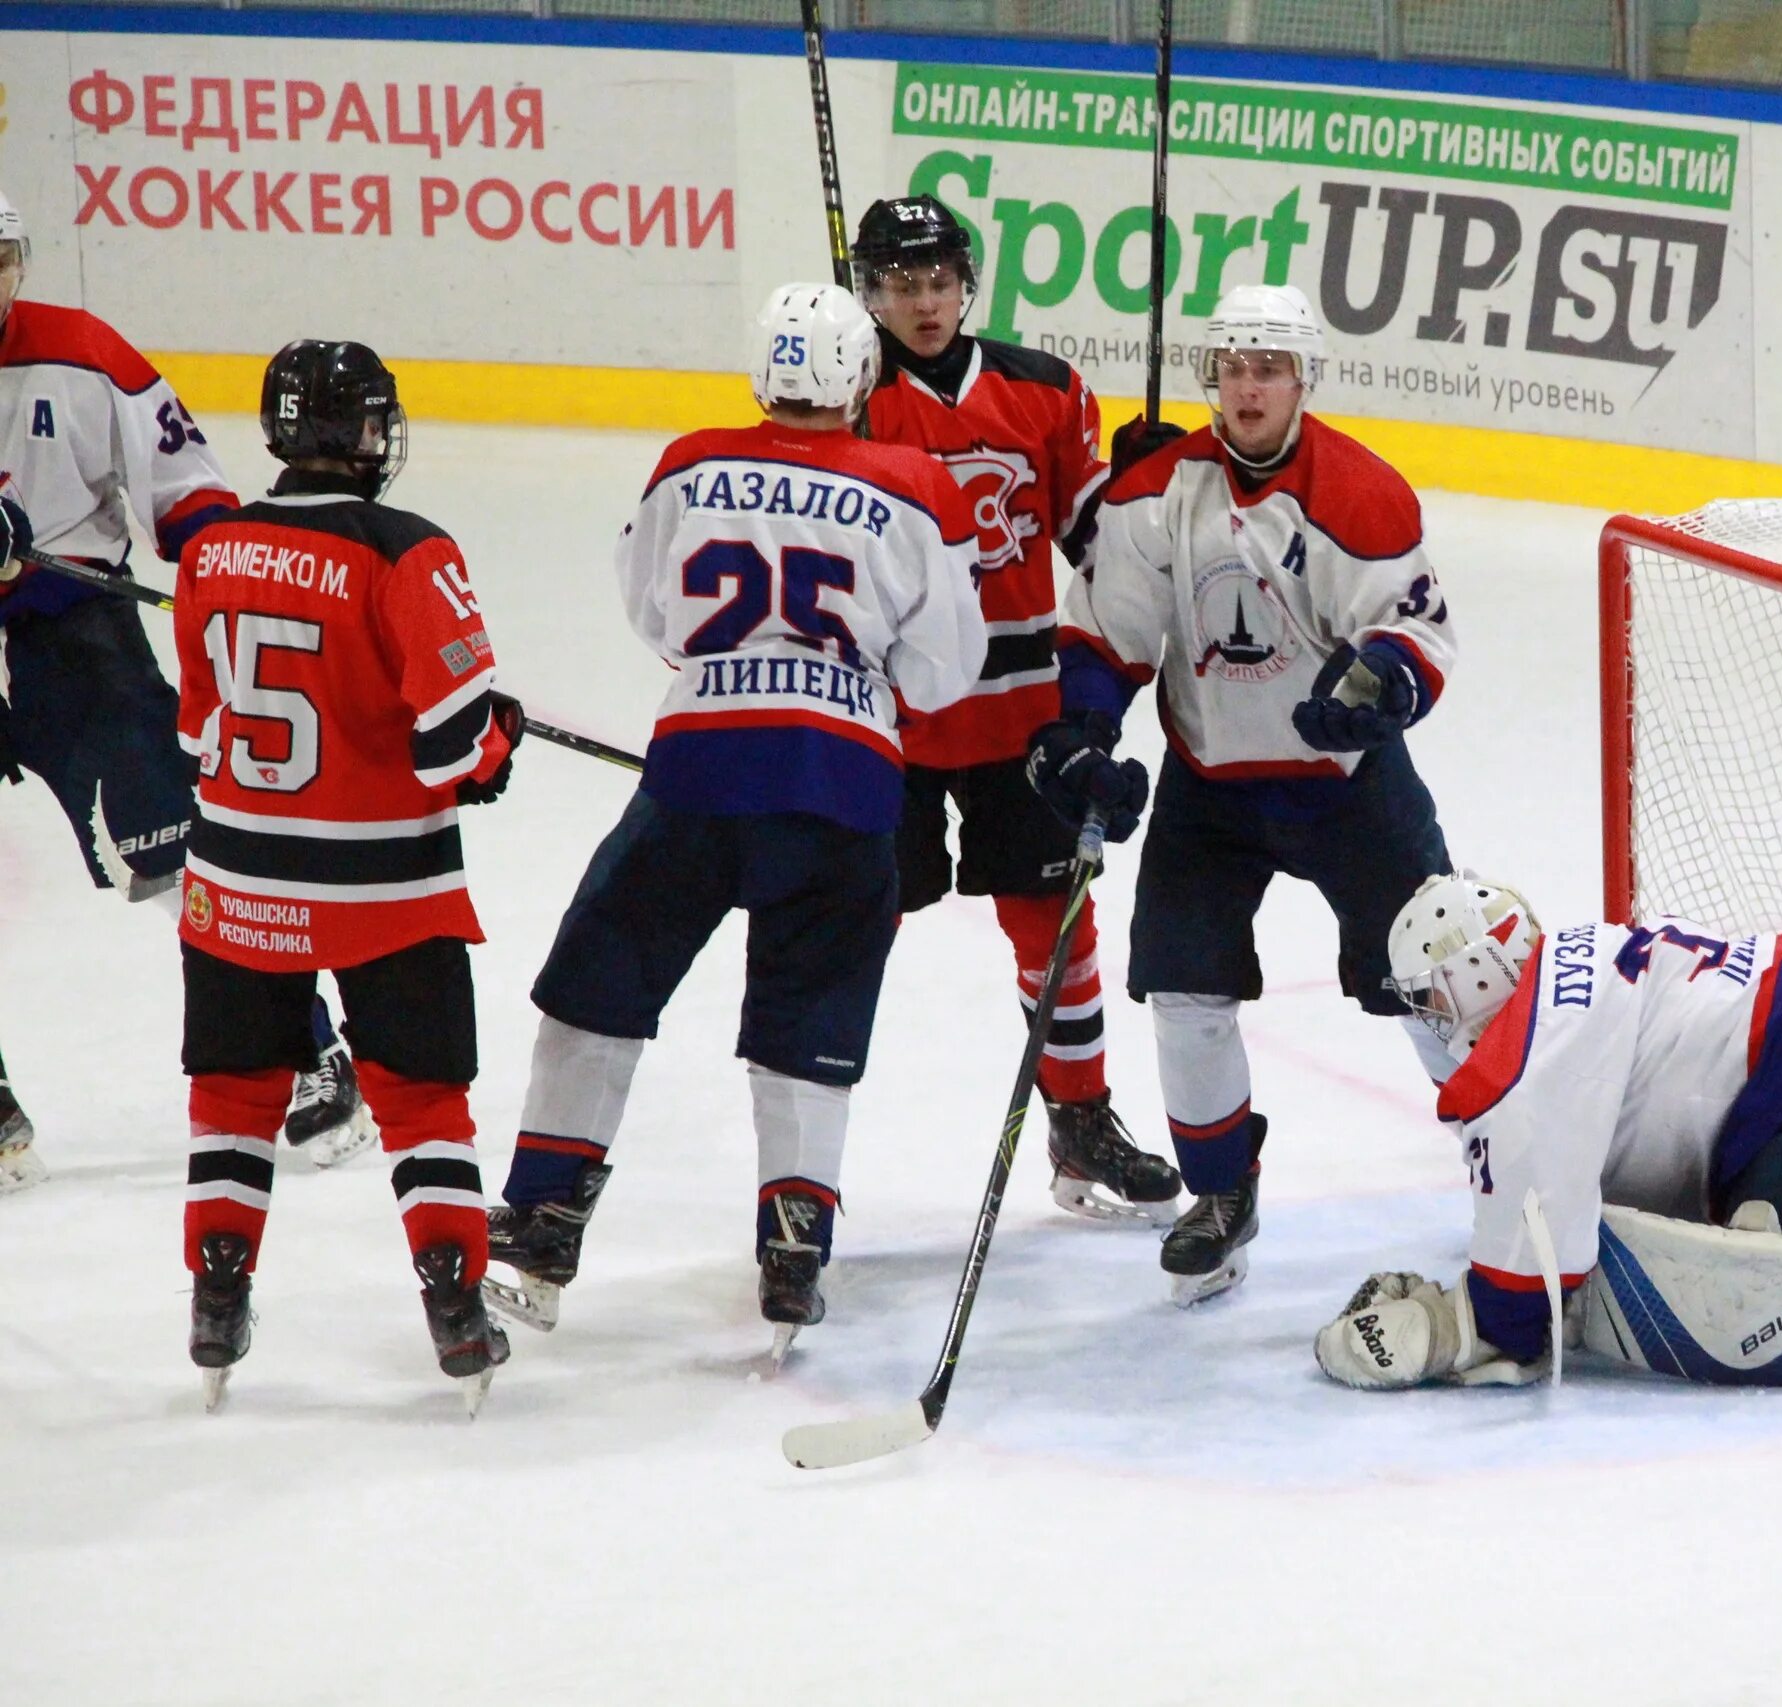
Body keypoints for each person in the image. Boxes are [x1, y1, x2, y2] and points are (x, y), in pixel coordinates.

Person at [482, 283, 984, 1359]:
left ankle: (540, 1218)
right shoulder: (915, 484)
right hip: (846, 784)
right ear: (861, 376)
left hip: (697, 770)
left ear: (763, 371)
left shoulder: (689, 463)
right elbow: (945, 673)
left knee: (596, 987)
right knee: (809, 1017)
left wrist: (738, 669)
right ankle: (794, 1242)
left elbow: (656, 613)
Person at [1036, 282, 1460, 1304]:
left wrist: (1371, 693)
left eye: (1269, 368)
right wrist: (1084, 737)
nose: (1249, 387)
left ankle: (1517, 1149)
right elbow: (1107, 633)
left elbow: (1413, 632)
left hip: (1346, 787)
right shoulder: (1157, 493)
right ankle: (1221, 1195)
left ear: (1303, 378)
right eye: (1232, 367)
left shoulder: (1359, 491)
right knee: (1183, 986)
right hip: (1212, 784)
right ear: (1212, 378)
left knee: (1436, 976)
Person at [171, 340, 520, 1412]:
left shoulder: (212, 548)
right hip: (385, 892)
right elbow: (455, 747)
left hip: (235, 882)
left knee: (235, 1093)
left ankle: (218, 1292)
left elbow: (195, 735)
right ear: (367, 433)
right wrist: (498, 738)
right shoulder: (407, 550)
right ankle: (455, 1300)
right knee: (421, 1101)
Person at [0, 187, 365, 1192]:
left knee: (171, 847)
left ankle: (304, 1043)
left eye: (0, 259)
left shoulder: (85, 354)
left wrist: (223, 567)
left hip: (71, 632)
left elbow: (184, 485)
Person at [850, 194, 1178, 1224]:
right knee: (848, 928)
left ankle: (1079, 1121)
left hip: (1018, 715)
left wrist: (1138, 491)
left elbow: (1090, 539)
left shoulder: (1044, 390)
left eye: (940, 280)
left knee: (1054, 926)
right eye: (902, 285)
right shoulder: (843, 393)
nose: (925, 301)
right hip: (888, 719)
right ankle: (804, 1160)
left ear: (966, 284)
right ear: (870, 292)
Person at [1312, 875, 1782, 1388]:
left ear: (1477, 972)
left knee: (1750, 1299)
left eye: (1429, 997)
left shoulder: (1532, 1059)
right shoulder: (1576, 967)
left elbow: (1517, 1304)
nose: (1428, 1019)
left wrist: (1440, 1327)